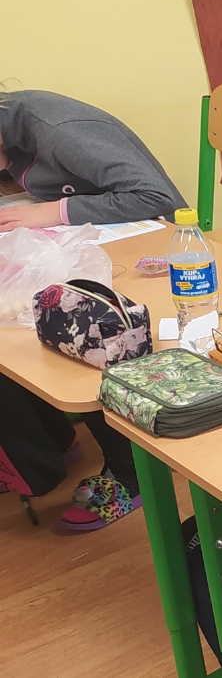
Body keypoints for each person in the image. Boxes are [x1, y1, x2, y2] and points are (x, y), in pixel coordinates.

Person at [0, 89, 188, 530]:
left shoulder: (62, 132)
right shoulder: (11, 134)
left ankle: (131, 470)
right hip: (86, 243)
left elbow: (159, 197)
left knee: (77, 329)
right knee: (19, 320)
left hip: (156, 249)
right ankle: (52, 437)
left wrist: (56, 211)